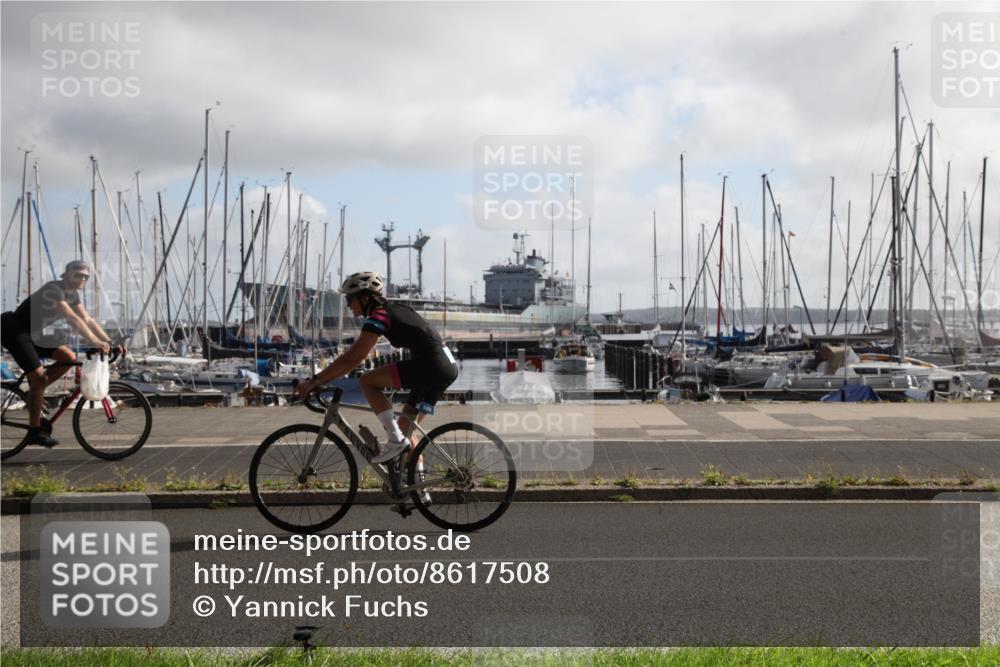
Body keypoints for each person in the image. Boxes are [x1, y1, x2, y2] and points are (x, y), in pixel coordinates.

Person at [295, 271, 459, 468]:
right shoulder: (394, 309)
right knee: (406, 428)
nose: (347, 304)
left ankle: (395, 441)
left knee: (367, 381)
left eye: (349, 298)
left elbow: (353, 358)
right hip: (445, 367)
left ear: (365, 297)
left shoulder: (380, 315)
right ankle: (420, 491)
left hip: (432, 365)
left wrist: (315, 380)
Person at [0, 261, 116, 447]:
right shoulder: (54, 289)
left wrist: (109, 342)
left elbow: (87, 319)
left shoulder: (73, 295)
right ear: (67, 274)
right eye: (78, 275)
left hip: (33, 334)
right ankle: (35, 432)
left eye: (86, 276)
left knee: (68, 357)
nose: (83, 279)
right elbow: (72, 317)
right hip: (14, 331)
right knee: (38, 378)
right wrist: (94, 342)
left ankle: (34, 393)